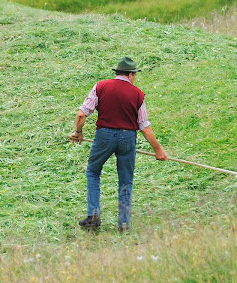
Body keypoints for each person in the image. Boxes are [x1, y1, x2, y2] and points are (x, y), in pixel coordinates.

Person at [68, 57, 168, 232]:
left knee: (93, 171)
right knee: (125, 180)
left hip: (104, 136)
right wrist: (158, 150)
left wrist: (78, 132)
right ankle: (123, 223)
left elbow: (81, 115)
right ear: (130, 75)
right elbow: (144, 126)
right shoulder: (138, 94)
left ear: (118, 73)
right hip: (127, 138)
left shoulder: (100, 87)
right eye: (135, 75)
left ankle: (93, 215)